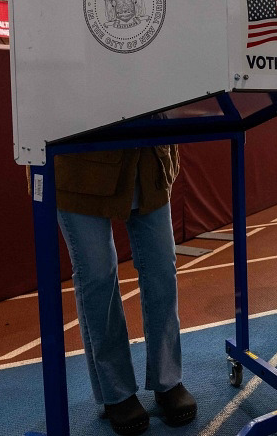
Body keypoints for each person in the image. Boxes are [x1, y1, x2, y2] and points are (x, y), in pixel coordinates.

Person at [46, 146, 196, 435]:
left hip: (148, 155)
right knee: (98, 277)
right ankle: (116, 392)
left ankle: (167, 380)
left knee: (162, 268)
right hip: (79, 165)